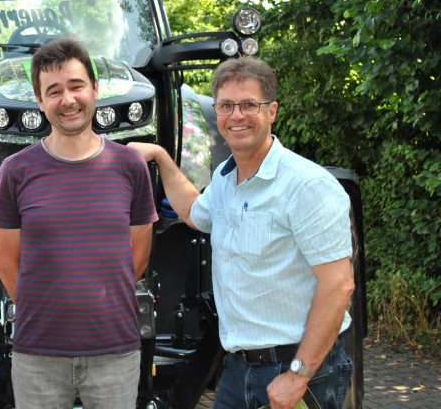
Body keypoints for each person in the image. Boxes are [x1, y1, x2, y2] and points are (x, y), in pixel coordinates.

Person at [129, 56, 355, 409]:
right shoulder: (224, 177)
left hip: (299, 369)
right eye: (226, 106)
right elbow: (193, 212)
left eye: (249, 104)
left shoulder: (307, 186)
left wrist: (298, 374)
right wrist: (160, 156)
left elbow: (338, 284)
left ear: (272, 111)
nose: (236, 116)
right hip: (238, 368)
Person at [0, 38, 159, 409]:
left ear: (95, 89)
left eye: (76, 86)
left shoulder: (130, 167)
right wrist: (49, 310)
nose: (67, 100)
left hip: (115, 353)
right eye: (53, 91)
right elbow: (6, 263)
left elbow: (140, 255)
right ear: (39, 101)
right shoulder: (15, 172)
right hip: (38, 357)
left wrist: (98, 305)